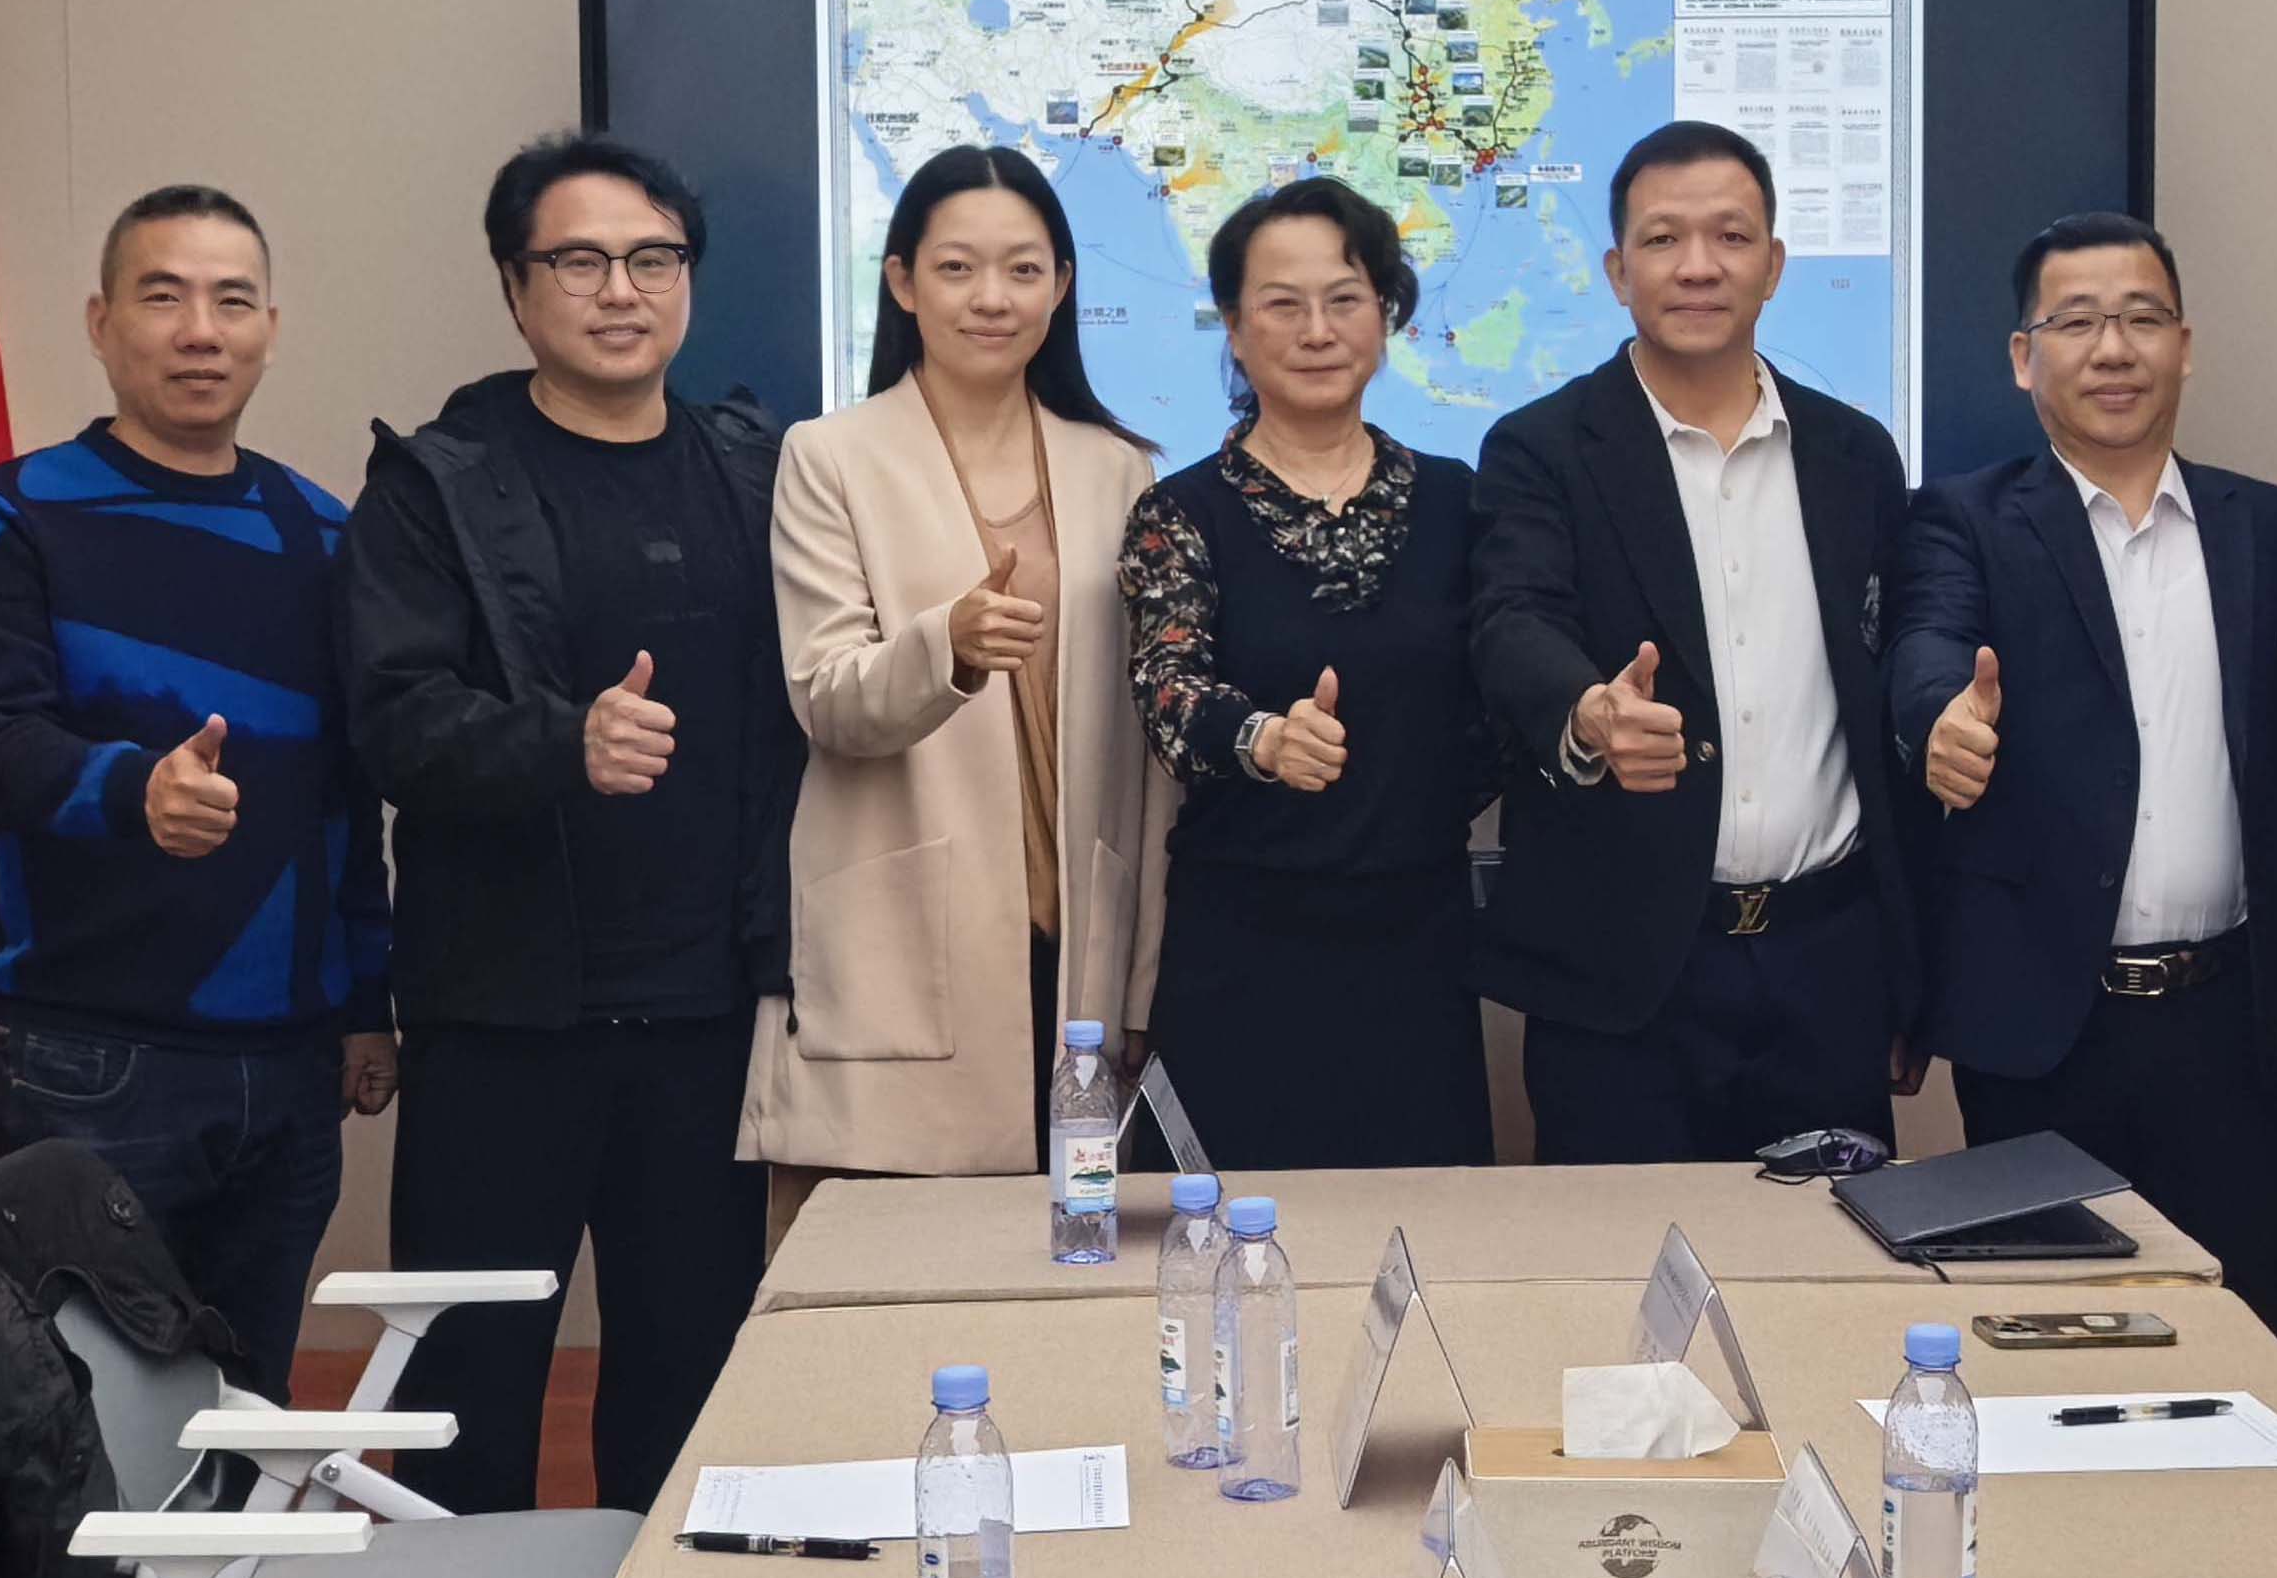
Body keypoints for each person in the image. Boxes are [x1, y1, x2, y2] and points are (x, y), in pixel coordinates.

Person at [336, 131, 804, 1515]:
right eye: (580, 261)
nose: (620, 290)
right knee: (469, 1399)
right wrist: (563, 743)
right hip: (507, 1020)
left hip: (708, 1019)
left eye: (653, 258)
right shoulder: (435, 484)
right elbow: (391, 721)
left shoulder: (756, 470)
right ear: (515, 285)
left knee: (690, 1386)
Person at [0, 185, 389, 1399]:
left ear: (269, 329)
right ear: (101, 322)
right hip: (90, 1056)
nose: (200, 332)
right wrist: (135, 792)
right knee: (86, 1427)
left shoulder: (324, 534)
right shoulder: (6, 514)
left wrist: (366, 1001)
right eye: (163, 296)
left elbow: (348, 793)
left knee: (250, 1409)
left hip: (291, 1068)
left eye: (232, 302)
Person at [1886, 213, 2277, 1351]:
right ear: (2024, 357)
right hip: (2045, 1031)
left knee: (2247, 1346)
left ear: (2184, 346)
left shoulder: (2274, 526)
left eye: (2142, 319)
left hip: (2236, 1028)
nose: (2113, 348)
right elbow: (1925, 644)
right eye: (2076, 322)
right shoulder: (1963, 520)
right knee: (2050, 1353)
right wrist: (1938, 720)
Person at [1470, 120, 1916, 1164]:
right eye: (1664, 239)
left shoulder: (1855, 454)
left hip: (1828, 968)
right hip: (1622, 977)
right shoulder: (1542, 447)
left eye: (1731, 236)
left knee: (1825, 1259)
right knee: (1619, 1260)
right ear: (1617, 271)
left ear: (1775, 265)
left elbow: (1886, 675)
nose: (1699, 266)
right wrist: (1588, 711)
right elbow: (1512, 617)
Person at [764, 144, 1172, 1211]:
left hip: (1077, 946)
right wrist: (943, 643)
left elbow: (1148, 756)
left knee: (1071, 1267)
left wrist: (1140, 979)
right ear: (902, 282)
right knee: (890, 1276)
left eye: (1024, 269)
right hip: (908, 945)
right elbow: (826, 698)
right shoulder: (830, 456)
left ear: (1061, 286)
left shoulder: (1119, 468)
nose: (993, 298)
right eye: (957, 268)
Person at [1118, 178, 1497, 1168]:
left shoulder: (1459, 503)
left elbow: (1496, 701)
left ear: (1388, 316)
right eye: (1282, 305)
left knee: (1423, 1230)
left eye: (1345, 299)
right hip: (1242, 947)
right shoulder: (1180, 512)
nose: (1318, 331)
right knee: (1217, 1233)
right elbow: (1168, 692)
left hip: (1417, 946)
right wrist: (1263, 739)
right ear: (1235, 329)